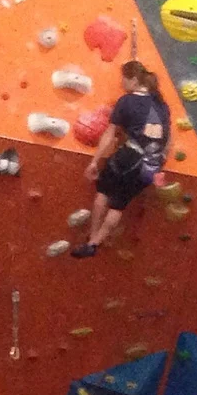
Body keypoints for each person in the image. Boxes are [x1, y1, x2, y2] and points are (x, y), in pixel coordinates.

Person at [72, 63, 169, 259]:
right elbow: (167, 139)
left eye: (124, 78)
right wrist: (160, 165)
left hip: (130, 157)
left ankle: (92, 237)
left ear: (134, 80)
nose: (121, 83)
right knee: (119, 205)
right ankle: (95, 242)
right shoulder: (162, 105)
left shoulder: (127, 101)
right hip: (152, 164)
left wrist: (94, 161)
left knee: (103, 193)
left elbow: (109, 136)